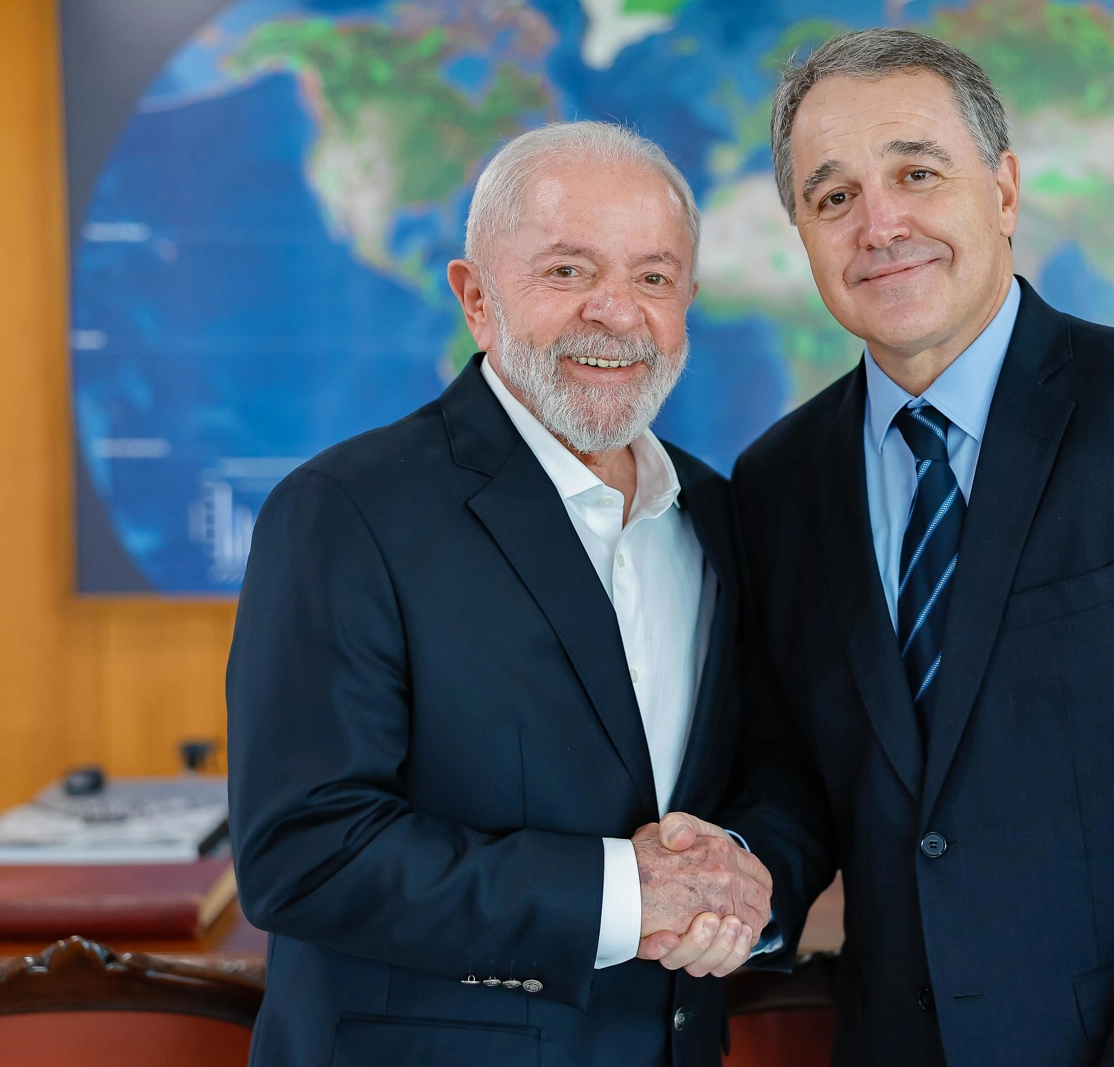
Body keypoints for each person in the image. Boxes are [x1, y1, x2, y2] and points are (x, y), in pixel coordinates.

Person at [668, 28, 1114, 1066]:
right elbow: (797, 772)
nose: (878, 223)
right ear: (801, 232)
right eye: (832, 195)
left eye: (915, 172)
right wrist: (743, 875)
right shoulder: (775, 483)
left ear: (1003, 189)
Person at [226, 121, 771, 1067]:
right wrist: (624, 891)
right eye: (567, 271)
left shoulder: (721, 514)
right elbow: (303, 851)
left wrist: (744, 866)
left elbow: (777, 765)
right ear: (476, 298)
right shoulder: (342, 511)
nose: (617, 312)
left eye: (654, 276)